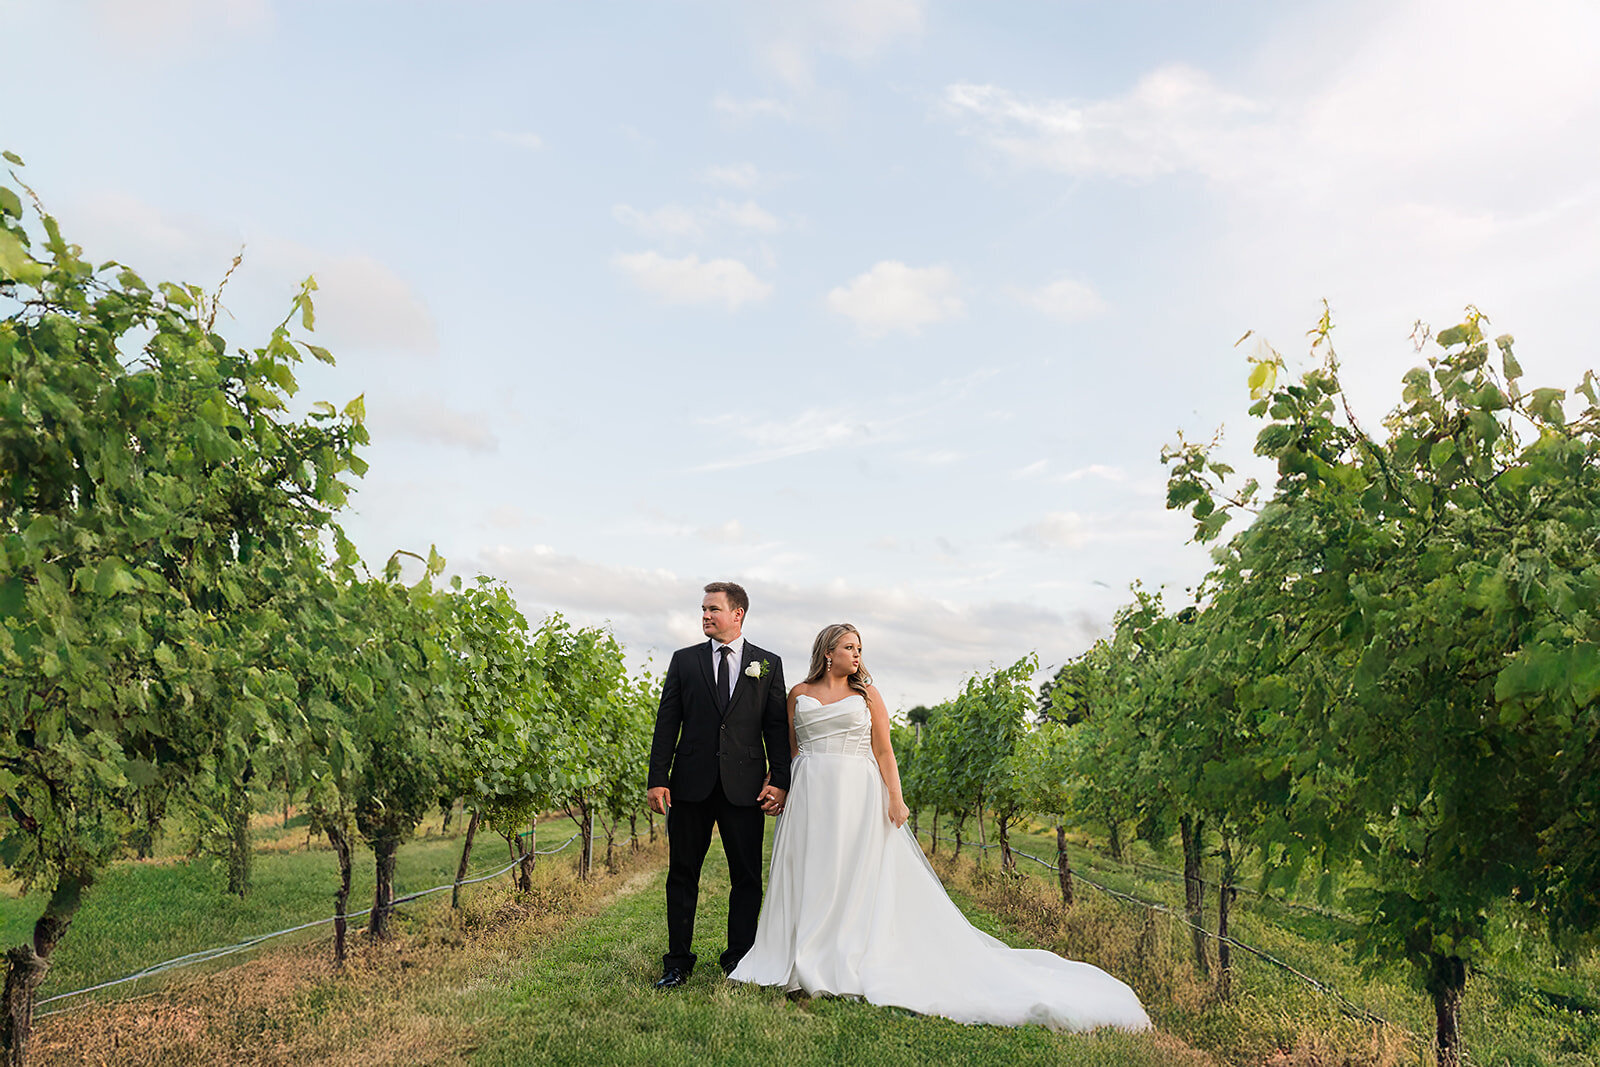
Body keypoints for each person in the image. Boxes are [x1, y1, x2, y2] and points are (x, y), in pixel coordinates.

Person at [728, 623, 1152, 1031]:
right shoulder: (798, 693)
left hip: (857, 792)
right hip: (809, 792)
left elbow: (885, 752)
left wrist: (896, 797)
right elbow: (791, 748)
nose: (857, 655)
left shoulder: (868, 694)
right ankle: (797, 954)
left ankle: (839, 954)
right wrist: (777, 782)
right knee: (809, 870)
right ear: (828, 653)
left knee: (850, 873)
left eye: (860, 649)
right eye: (850, 648)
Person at [647, 581, 790, 987]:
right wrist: (658, 778)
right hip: (690, 785)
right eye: (703, 609)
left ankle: (739, 960)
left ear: (737, 614)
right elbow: (667, 722)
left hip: (744, 788)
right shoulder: (684, 660)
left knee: (745, 877)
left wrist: (780, 780)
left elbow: (776, 727)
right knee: (682, 874)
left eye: (713, 609)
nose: (705, 615)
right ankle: (676, 962)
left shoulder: (768, 664)